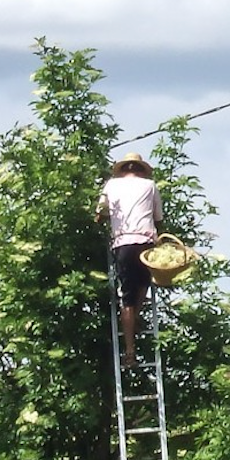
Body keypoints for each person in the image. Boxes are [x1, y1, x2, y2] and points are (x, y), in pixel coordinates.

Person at [96, 152, 163, 368]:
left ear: (123, 169)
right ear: (140, 169)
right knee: (144, 283)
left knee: (126, 298)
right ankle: (138, 318)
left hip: (123, 242)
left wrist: (103, 218)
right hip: (145, 241)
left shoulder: (111, 186)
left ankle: (130, 351)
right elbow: (158, 217)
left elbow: (101, 211)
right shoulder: (150, 185)